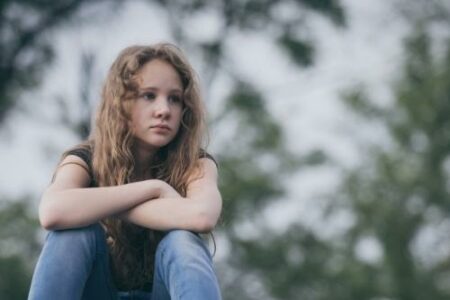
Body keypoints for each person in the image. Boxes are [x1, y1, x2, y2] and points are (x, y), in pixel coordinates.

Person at [28, 43, 222, 300]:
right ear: (121, 102)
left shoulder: (195, 163)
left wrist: (97, 203)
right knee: (74, 233)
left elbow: (202, 216)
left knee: (183, 242)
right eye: (149, 95)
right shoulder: (87, 158)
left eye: (174, 98)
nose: (164, 110)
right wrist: (154, 189)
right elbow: (53, 211)